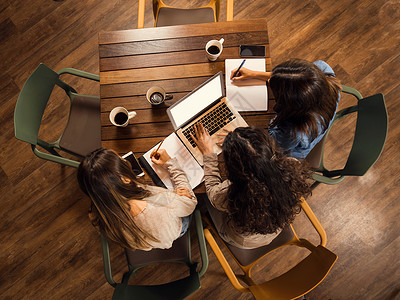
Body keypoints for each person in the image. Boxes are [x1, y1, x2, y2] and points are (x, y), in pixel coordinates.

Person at [192, 124, 311, 249]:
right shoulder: (292, 167)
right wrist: (244, 142)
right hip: (274, 228)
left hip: (242, 240)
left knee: (205, 200)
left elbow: (212, 192)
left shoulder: (234, 196)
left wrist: (208, 154)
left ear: (236, 170)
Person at [77, 148, 197, 251]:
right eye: (120, 159)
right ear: (125, 179)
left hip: (146, 238)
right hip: (175, 227)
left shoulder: (98, 210)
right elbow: (190, 204)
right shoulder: (154, 209)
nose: (124, 160)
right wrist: (171, 164)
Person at [231, 59, 341, 159]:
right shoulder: (324, 69)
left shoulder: (291, 133)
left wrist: (239, 136)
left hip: (291, 152)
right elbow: (295, 81)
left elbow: (272, 142)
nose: (269, 82)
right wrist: (254, 74)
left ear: (288, 105)